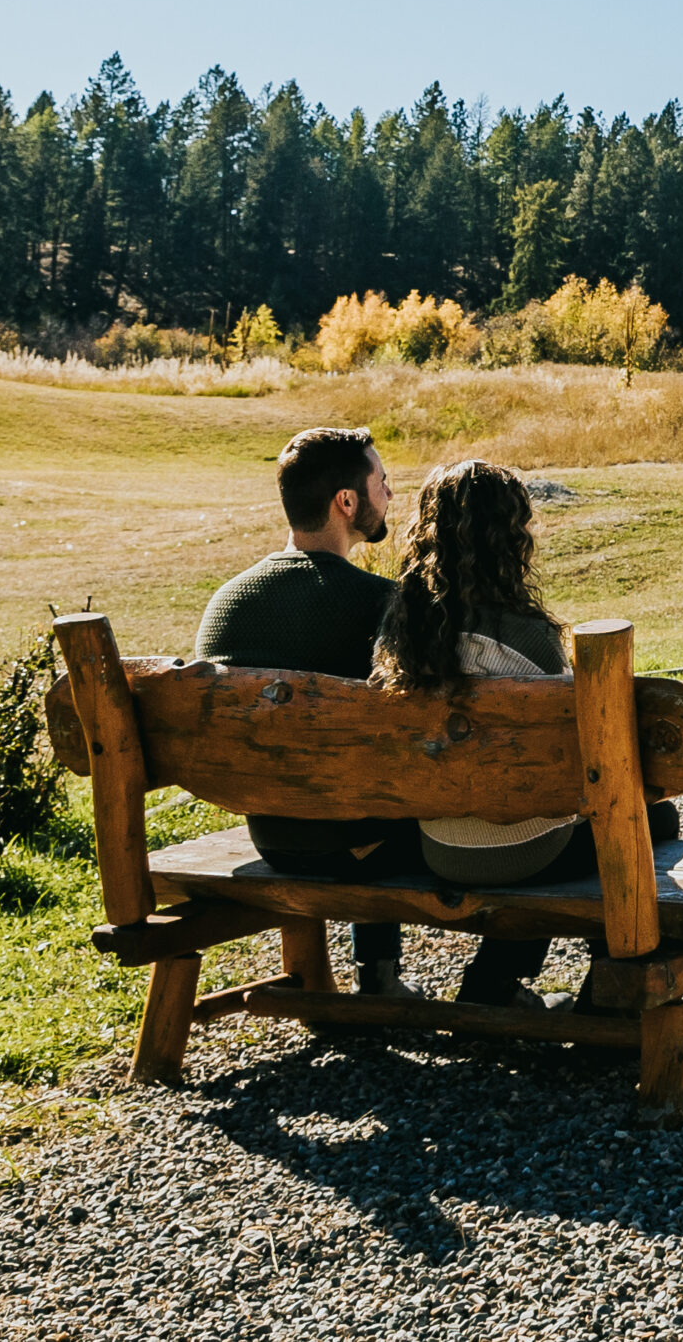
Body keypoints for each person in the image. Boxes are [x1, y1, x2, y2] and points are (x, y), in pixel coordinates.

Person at [371, 458, 678, 1010]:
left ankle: (491, 986)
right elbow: (577, 751)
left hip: (440, 846)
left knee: (530, 821)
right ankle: (608, 997)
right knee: (647, 822)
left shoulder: (400, 638)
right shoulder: (528, 638)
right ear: (511, 537)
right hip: (523, 851)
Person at [191, 427, 416, 997]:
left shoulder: (226, 603)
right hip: (364, 845)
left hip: (269, 833)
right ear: (347, 501)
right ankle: (383, 975)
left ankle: (377, 975)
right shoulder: (382, 603)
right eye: (382, 482)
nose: (390, 494)